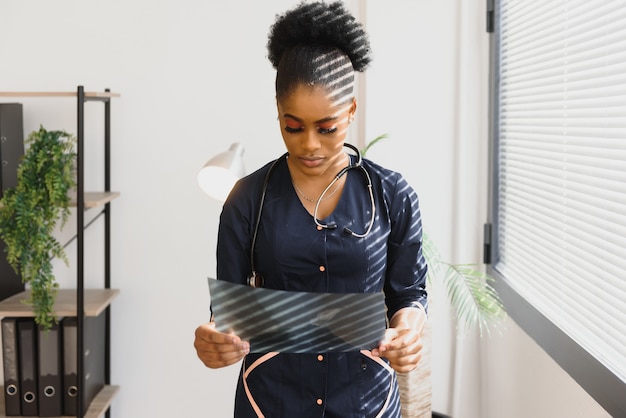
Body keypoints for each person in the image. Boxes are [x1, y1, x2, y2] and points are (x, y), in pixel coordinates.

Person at [194, 1, 428, 417]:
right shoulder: (247, 199)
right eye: (293, 127)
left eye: (327, 128)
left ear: (351, 112)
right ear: (278, 115)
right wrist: (214, 339)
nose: (309, 145)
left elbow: (408, 295)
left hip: (367, 402)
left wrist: (407, 332)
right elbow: (227, 315)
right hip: (270, 402)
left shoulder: (392, 194)